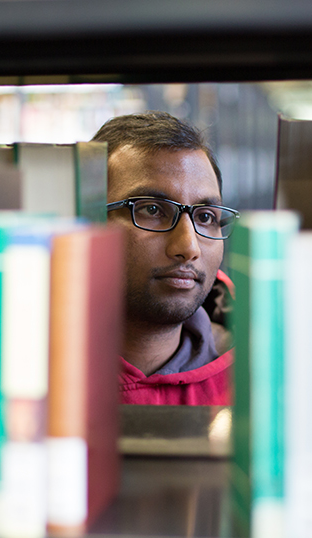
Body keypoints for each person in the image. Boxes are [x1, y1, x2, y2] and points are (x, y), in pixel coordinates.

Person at [93, 111, 238, 406]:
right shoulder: (22, 366)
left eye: (206, 216)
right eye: (152, 210)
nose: (188, 247)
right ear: (88, 221)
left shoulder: (255, 379)